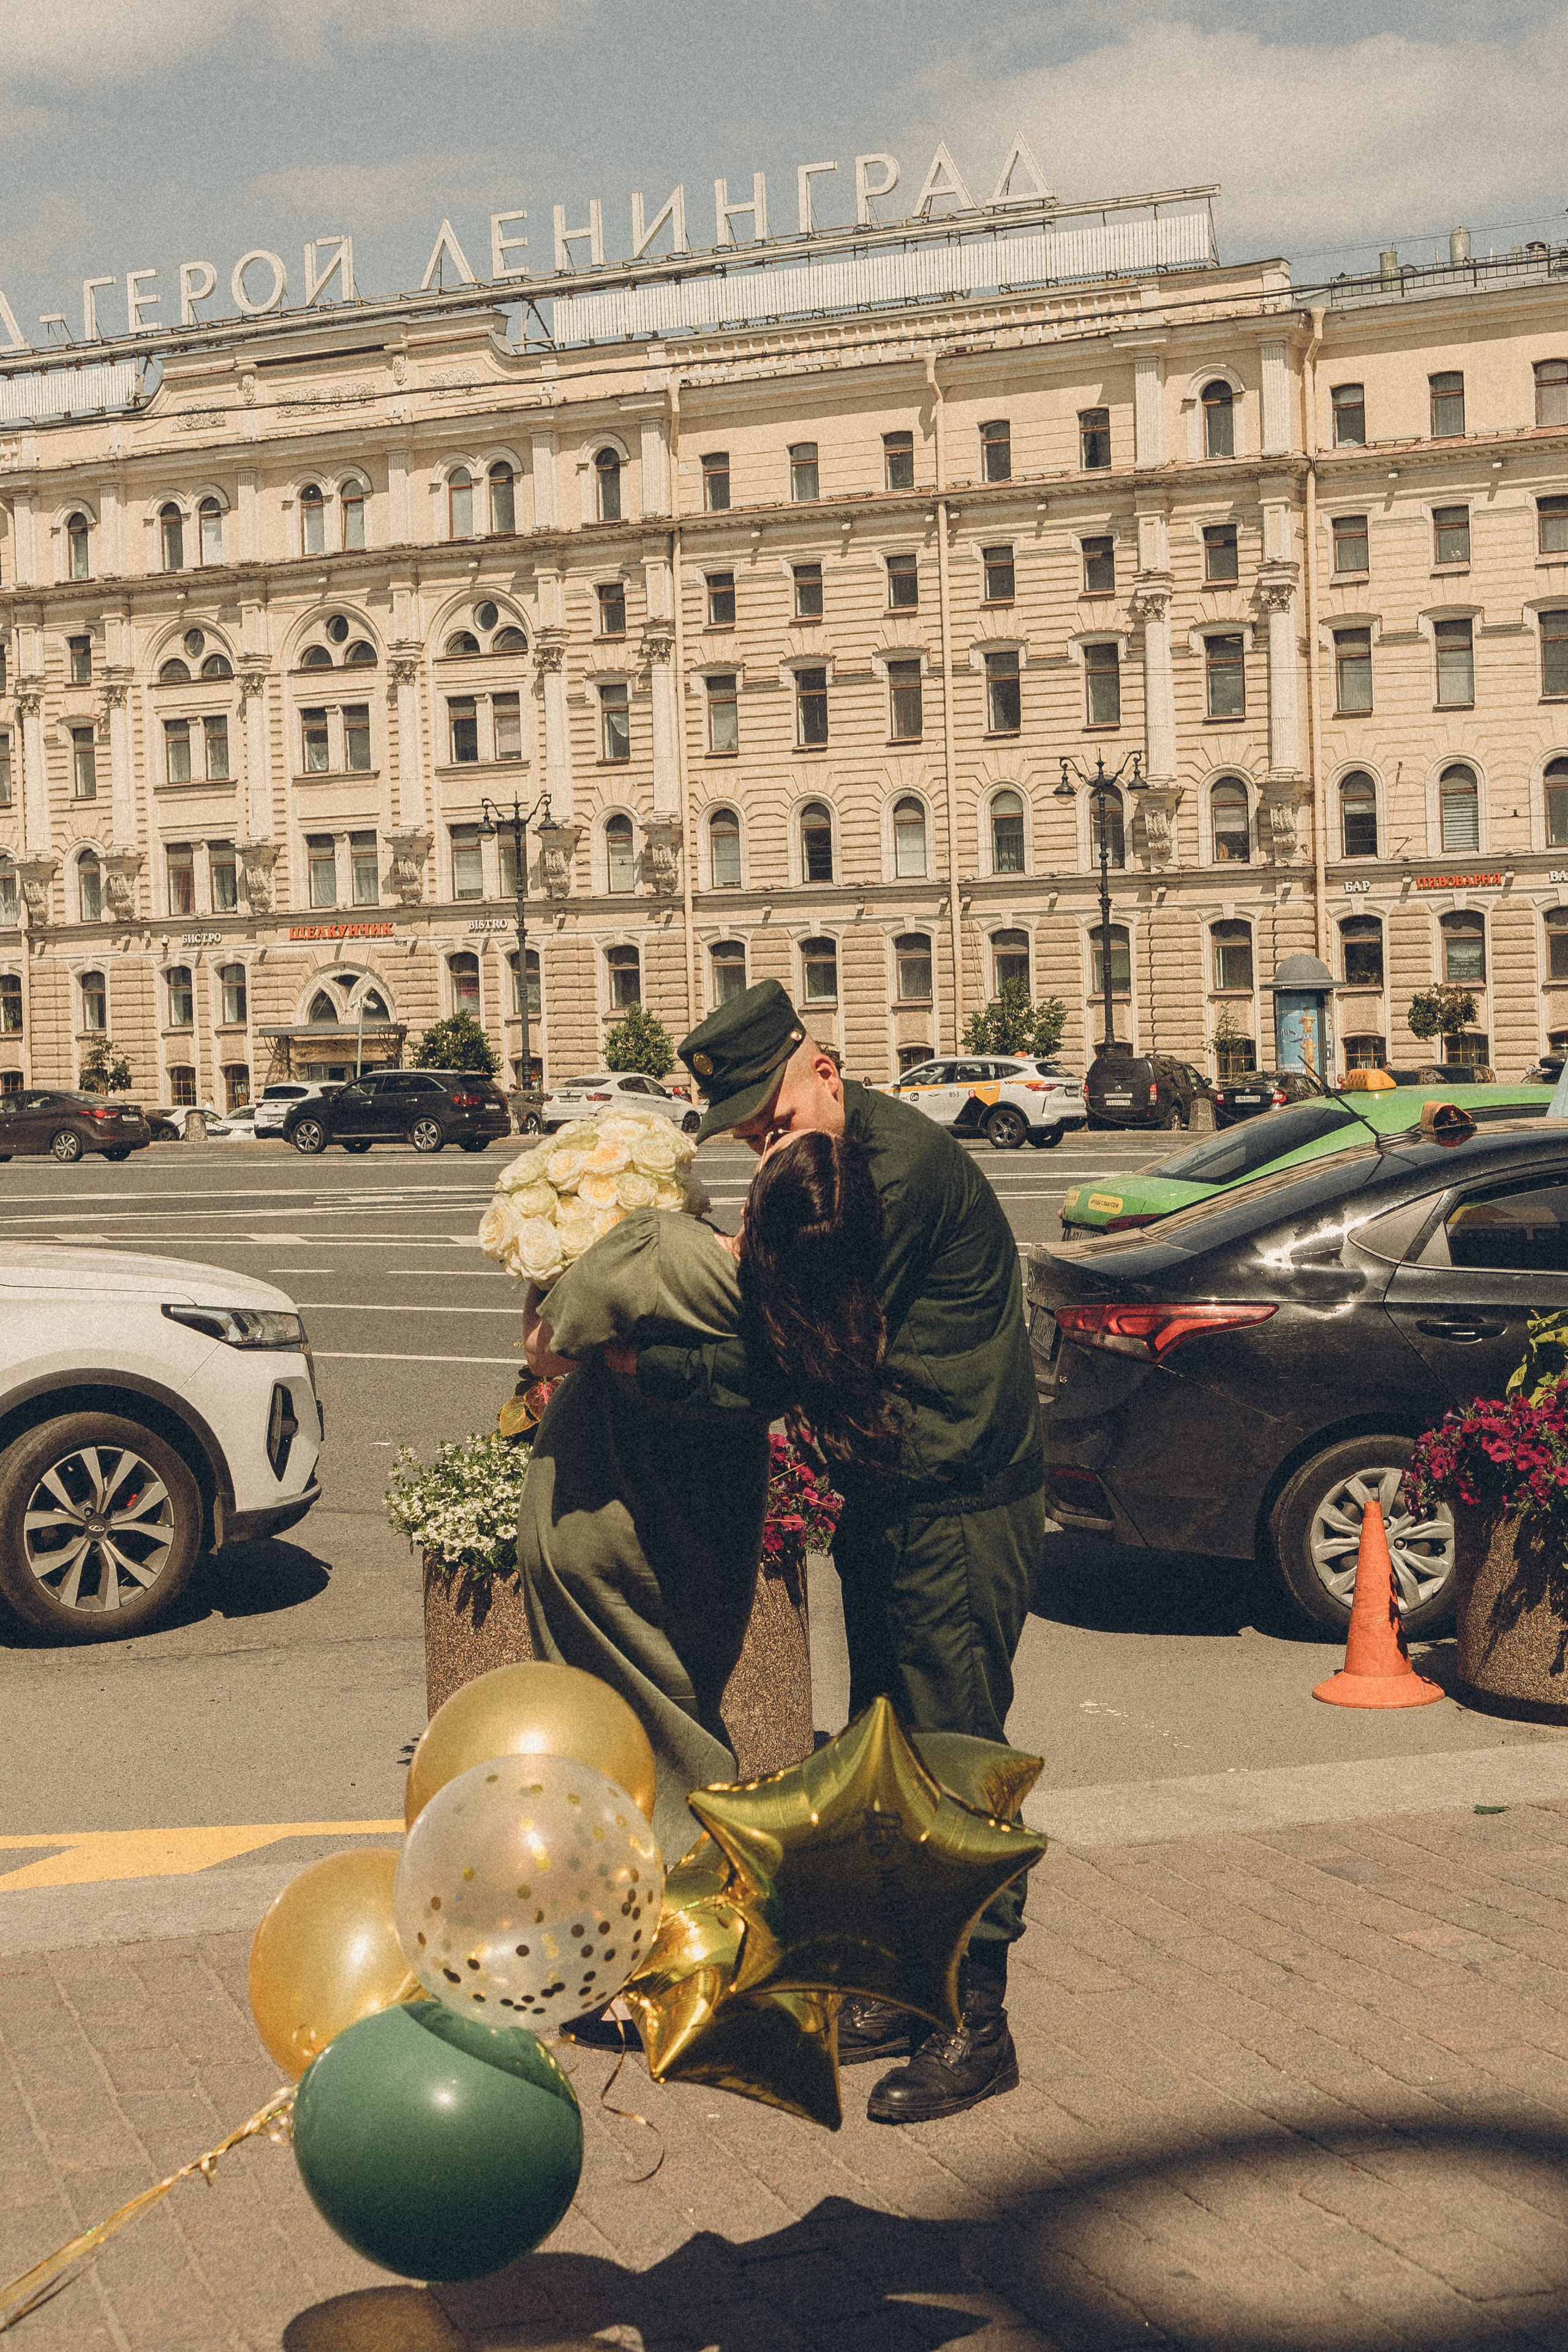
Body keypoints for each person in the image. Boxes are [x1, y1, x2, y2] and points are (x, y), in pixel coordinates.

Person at [643, 977, 1044, 2125]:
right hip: (897, 1496)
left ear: (823, 1067)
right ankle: (903, 1991)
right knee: (891, 1757)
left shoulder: (895, 1174)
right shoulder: (835, 1164)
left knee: (957, 1762)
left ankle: (978, 2021)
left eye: (774, 1123)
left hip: (957, 1506)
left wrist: (643, 1369)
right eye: (752, 1139)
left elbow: (791, 1358)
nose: (768, 1149)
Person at [516, 1130, 897, 1868]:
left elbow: (542, 1347)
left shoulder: (656, 1249)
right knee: (688, 1717)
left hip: (597, 1517)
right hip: (712, 1532)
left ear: (757, 1200)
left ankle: (642, 1896)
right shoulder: (808, 1319)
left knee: (603, 1736)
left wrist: (546, 1256)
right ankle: (685, 1891)